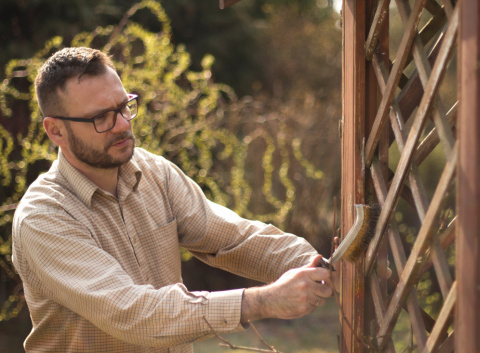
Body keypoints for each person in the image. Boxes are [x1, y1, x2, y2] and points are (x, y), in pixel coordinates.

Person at [11, 47, 334, 352]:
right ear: (56, 131)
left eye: (125, 107)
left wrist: (320, 266)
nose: (123, 125)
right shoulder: (43, 218)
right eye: (101, 118)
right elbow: (132, 313)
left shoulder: (155, 174)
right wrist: (262, 301)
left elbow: (234, 239)